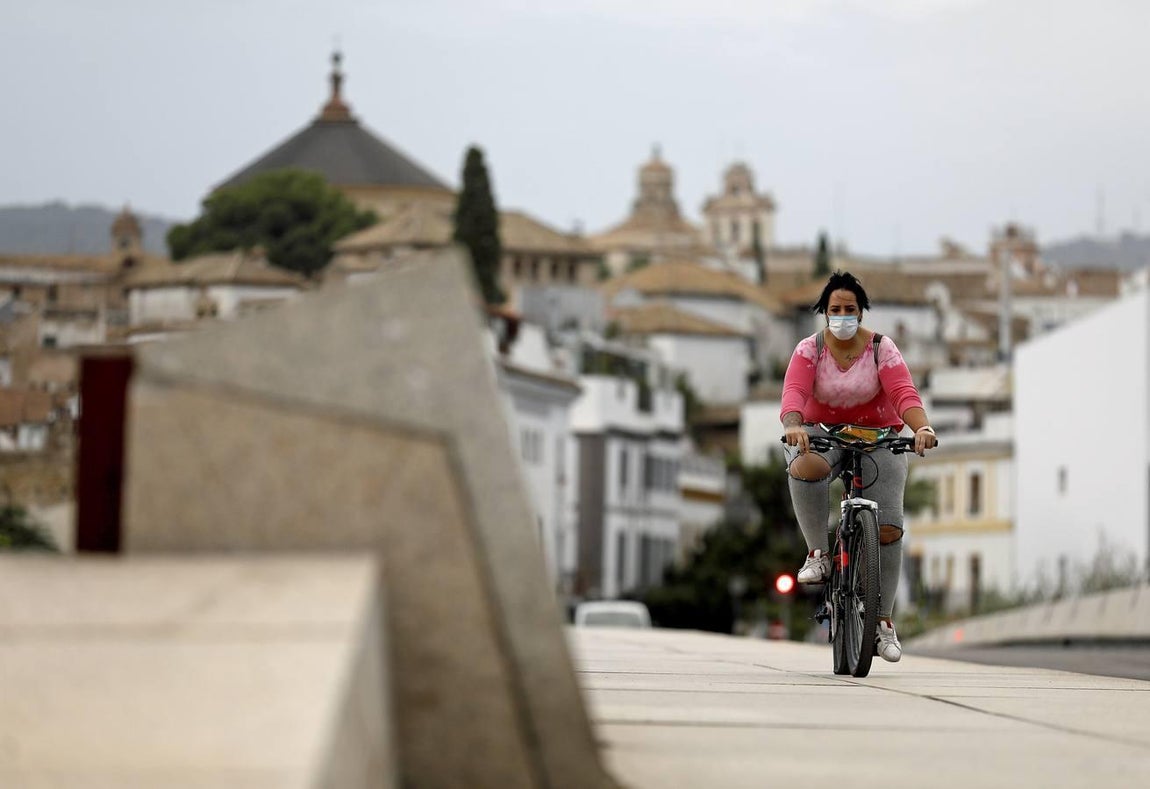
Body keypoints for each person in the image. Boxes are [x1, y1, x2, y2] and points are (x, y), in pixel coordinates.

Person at [780, 270, 936, 663]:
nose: (843, 315)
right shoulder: (808, 350)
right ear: (824, 313)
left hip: (879, 437)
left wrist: (922, 428)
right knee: (806, 467)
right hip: (824, 434)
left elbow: (903, 393)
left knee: (888, 528)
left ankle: (882, 621)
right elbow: (794, 392)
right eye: (836, 309)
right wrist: (795, 426)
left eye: (850, 309)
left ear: (862, 313)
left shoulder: (882, 349)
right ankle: (817, 552)